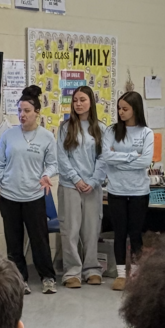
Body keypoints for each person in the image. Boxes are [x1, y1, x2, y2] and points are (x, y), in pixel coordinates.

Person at [0, 85, 58, 295]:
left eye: (27, 111)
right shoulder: (8, 136)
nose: (22, 115)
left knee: (39, 240)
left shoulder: (46, 137)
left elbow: (53, 163)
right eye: (20, 110)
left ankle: (48, 277)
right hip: (9, 196)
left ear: (37, 113)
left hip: (34, 196)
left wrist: (47, 175)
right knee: (14, 242)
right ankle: (20, 279)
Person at [102, 91, 154, 291]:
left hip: (139, 191)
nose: (121, 112)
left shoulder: (146, 133)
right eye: (119, 109)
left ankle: (136, 274)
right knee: (120, 233)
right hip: (117, 190)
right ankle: (122, 275)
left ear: (135, 110)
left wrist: (120, 159)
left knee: (135, 234)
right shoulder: (111, 131)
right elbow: (107, 157)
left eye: (125, 109)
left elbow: (146, 161)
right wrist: (133, 156)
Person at [57, 85, 105, 288]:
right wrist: (76, 179)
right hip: (70, 186)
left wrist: (93, 181)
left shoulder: (101, 128)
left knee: (92, 229)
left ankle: (92, 269)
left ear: (91, 102)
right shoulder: (65, 127)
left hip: (92, 187)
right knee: (71, 230)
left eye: (82, 100)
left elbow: (103, 158)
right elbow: (62, 157)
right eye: (75, 100)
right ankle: (72, 272)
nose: (78, 104)